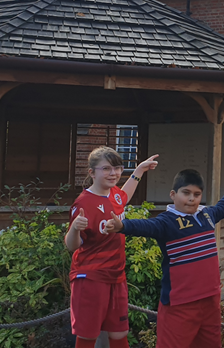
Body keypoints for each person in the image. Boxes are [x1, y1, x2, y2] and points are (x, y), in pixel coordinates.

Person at [102, 168, 224, 348]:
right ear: (173, 194)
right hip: (179, 304)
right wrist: (122, 226)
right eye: (186, 193)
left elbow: (223, 206)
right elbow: (145, 226)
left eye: (197, 194)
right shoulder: (166, 222)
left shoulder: (207, 215)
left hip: (210, 299)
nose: (191, 198)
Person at [65, 147, 159, 348]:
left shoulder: (114, 193)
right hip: (90, 277)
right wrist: (74, 228)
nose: (113, 173)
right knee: (88, 335)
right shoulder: (83, 203)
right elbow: (72, 246)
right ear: (92, 172)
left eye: (117, 168)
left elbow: (124, 196)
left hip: (117, 276)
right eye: (106, 169)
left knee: (119, 332)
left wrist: (140, 170)